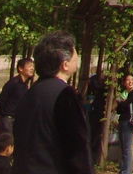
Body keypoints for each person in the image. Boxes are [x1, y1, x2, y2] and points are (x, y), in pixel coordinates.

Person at [11, 31, 93, 174]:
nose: (77, 59)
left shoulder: (30, 93)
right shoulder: (65, 95)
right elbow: (77, 151)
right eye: (75, 55)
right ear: (65, 65)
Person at [0, 59, 36, 138]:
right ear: (20, 68)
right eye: (30, 66)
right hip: (8, 120)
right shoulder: (13, 83)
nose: (32, 68)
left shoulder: (25, 85)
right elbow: (1, 101)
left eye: (33, 67)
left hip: (17, 120)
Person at [114, 75, 133, 174]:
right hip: (122, 121)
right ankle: (123, 168)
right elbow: (118, 110)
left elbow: (124, 104)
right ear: (124, 83)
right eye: (127, 80)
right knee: (122, 147)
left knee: (127, 148)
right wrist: (121, 103)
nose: (130, 82)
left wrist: (120, 102)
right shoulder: (124, 94)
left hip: (129, 122)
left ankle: (127, 171)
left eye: (132, 80)